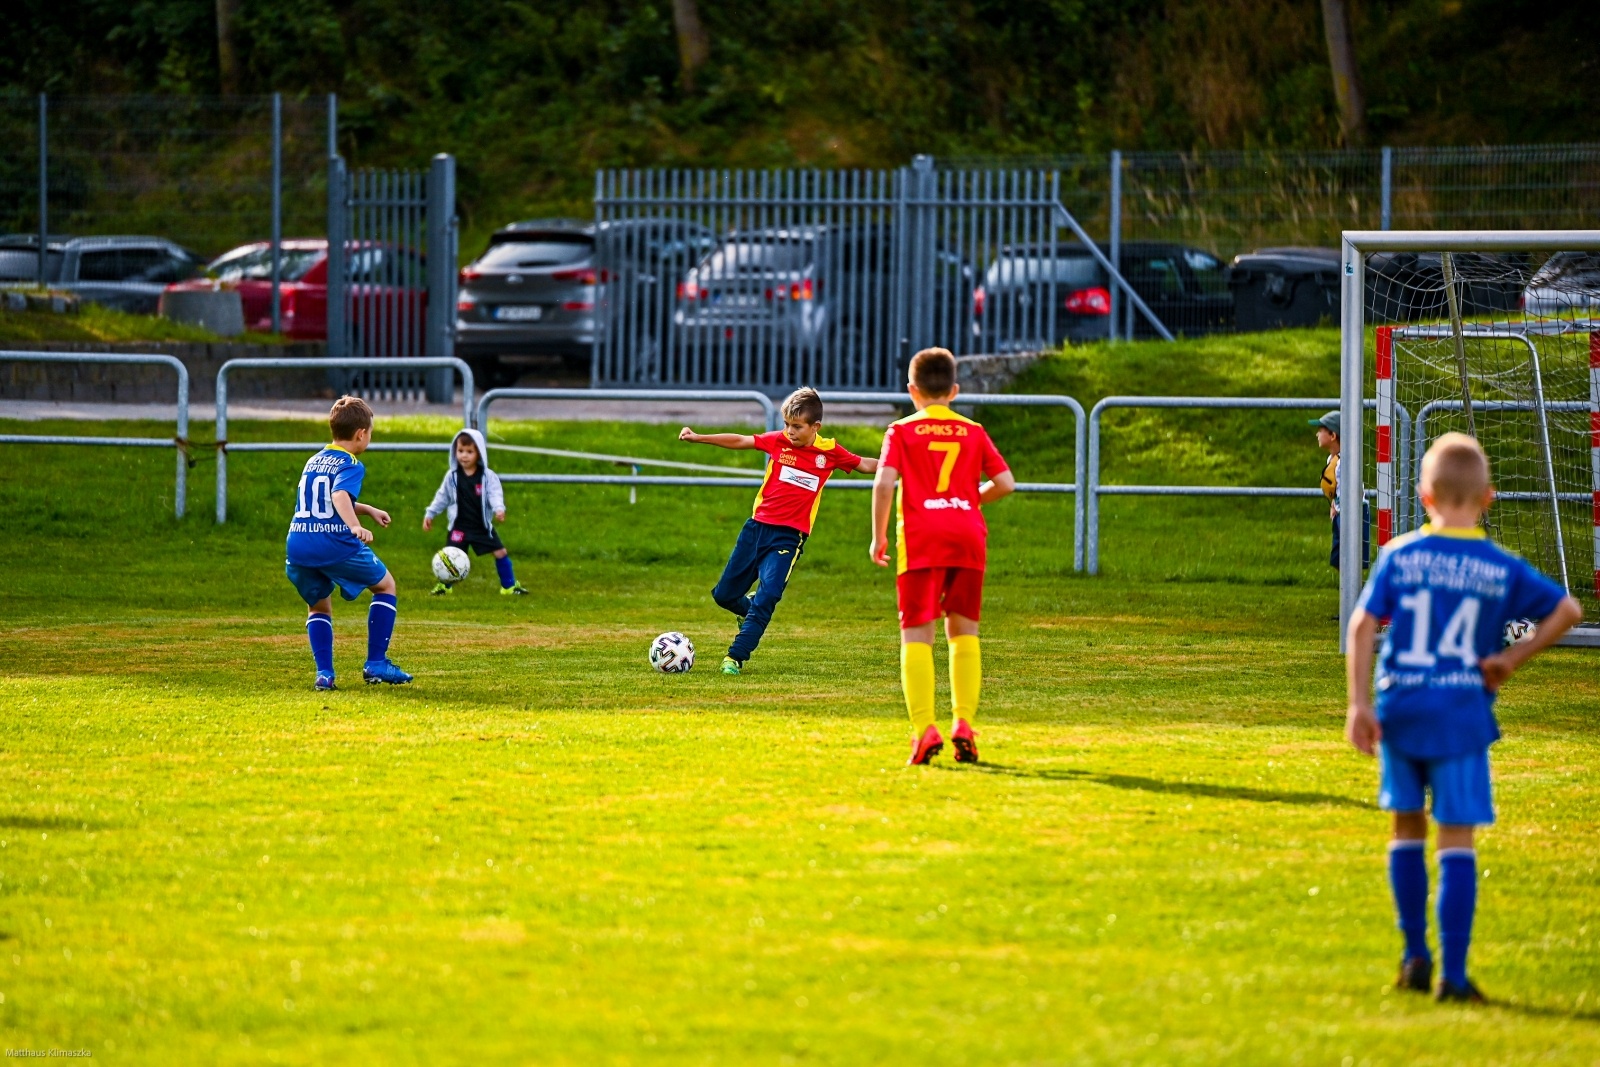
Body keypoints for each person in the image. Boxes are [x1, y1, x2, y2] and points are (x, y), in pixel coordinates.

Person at [1344, 432, 1581, 1003]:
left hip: (1401, 708)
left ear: (1423, 496)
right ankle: (1453, 974)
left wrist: (1358, 704)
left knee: (1406, 827)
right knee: (1455, 836)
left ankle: (1413, 956)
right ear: (1488, 498)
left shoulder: (1400, 555)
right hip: (1460, 715)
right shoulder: (1498, 566)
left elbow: (1361, 625)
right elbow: (1567, 610)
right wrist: (1509, 660)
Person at [869, 348, 1015, 765]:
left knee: (917, 633)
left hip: (921, 538)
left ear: (911, 390)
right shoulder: (973, 430)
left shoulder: (901, 430)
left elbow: (884, 484)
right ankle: (963, 723)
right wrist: (968, 501)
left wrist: (878, 536)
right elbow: (1006, 482)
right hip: (967, 535)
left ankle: (924, 730)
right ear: (954, 390)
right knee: (964, 631)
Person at [679, 387, 877, 675]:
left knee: (769, 595)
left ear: (815, 427)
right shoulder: (779, 441)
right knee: (724, 595)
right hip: (756, 529)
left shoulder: (830, 453)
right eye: (787, 424)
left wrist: (904, 464)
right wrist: (699, 437)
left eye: (797, 426)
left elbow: (866, 465)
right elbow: (741, 440)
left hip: (788, 537)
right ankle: (748, 611)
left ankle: (734, 657)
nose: (790, 431)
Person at [284, 395, 413, 689]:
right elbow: (339, 495)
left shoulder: (314, 459)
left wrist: (367, 510)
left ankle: (324, 674)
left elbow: (325, 501)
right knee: (385, 586)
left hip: (299, 543)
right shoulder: (351, 463)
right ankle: (376, 663)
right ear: (361, 434)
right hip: (332, 542)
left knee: (318, 607)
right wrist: (355, 526)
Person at [423, 429, 527, 596]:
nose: (464, 456)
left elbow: (494, 494)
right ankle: (444, 587)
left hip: (481, 527)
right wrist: (431, 513)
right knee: (449, 557)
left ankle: (508, 587)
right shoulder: (452, 476)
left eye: (469, 452)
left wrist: (499, 508)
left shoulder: (487, 477)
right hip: (459, 527)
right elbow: (442, 496)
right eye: (460, 451)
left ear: (479, 453)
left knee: (501, 552)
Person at [1311, 410, 1369, 569]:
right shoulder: (1332, 460)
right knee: (1339, 559)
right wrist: (1334, 505)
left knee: (1353, 560)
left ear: (1333, 435)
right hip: (1341, 513)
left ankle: (1356, 585)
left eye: (1320, 430)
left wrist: (1344, 509)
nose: (1317, 434)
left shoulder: (1346, 461)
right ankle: (1347, 585)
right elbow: (1339, 488)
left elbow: (1353, 492)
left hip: (1354, 513)